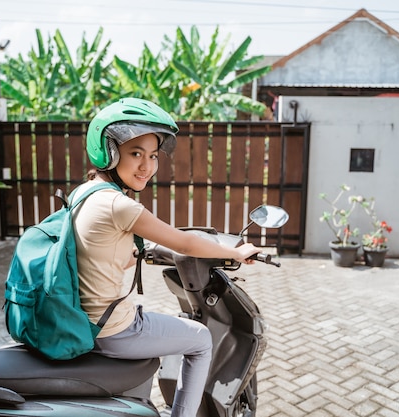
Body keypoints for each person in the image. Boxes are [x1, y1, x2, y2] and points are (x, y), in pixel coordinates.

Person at [72, 97, 261, 417]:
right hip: (109, 329)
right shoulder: (119, 205)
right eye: (135, 154)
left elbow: (106, 251)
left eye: (153, 155)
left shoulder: (85, 192)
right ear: (108, 151)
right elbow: (184, 243)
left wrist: (139, 253)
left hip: (85, 318)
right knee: (201, 339)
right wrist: (235, 252)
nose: (147, 165)